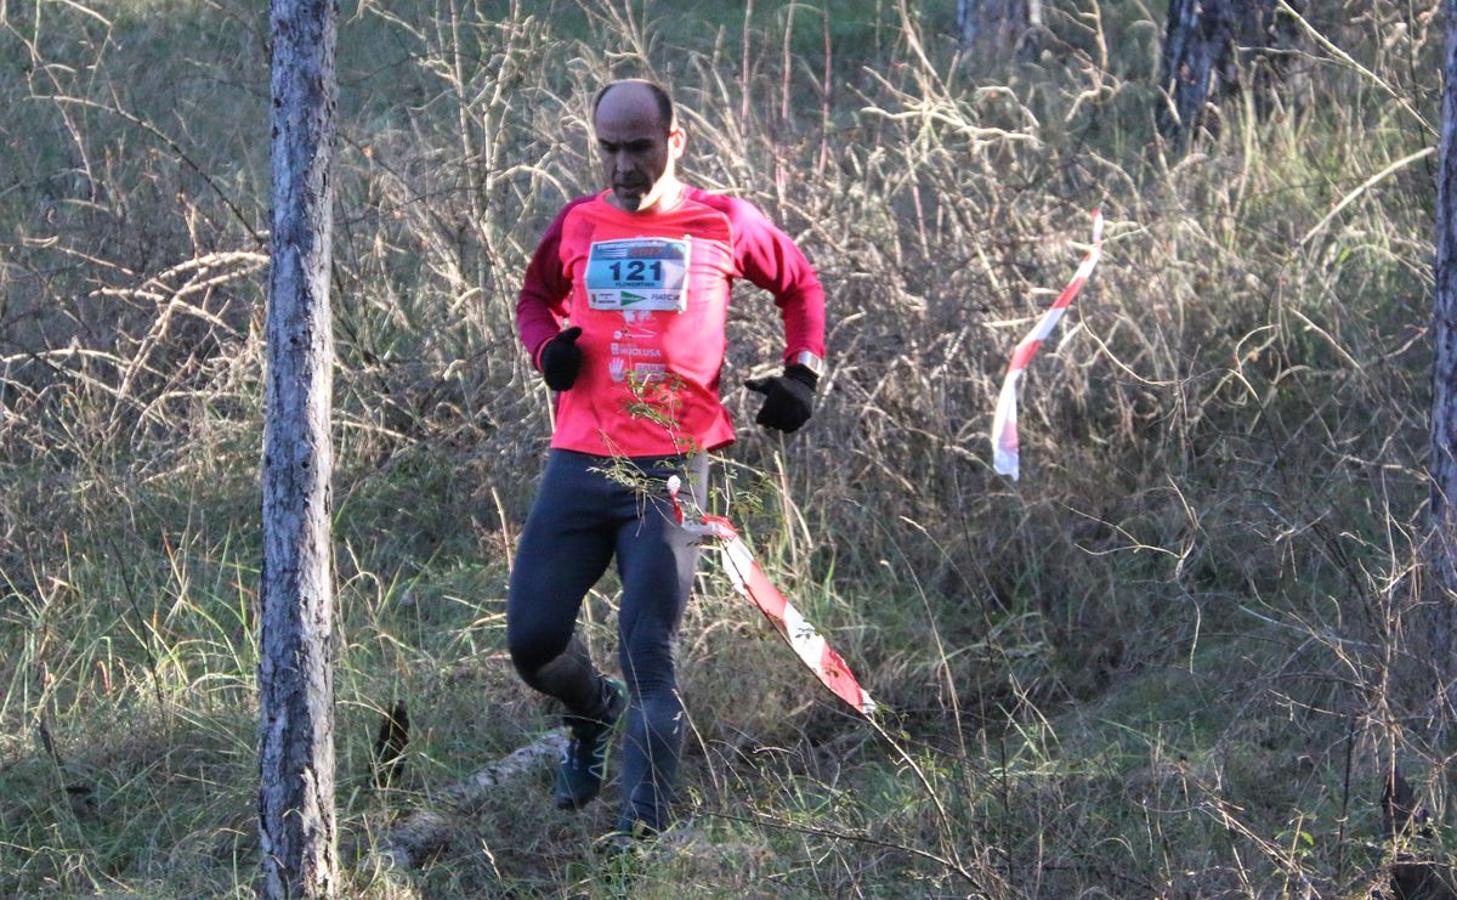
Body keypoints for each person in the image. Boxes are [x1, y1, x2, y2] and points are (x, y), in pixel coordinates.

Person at [508, 78, 826, 843]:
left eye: (639, 147)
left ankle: (640, 836)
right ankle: (592, 711)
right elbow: (533, 298)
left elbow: (800, 284)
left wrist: (803, 371)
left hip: (670, 468)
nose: (623, 165)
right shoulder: (577, 222)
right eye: (609, 149)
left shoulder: (723, 220)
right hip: (580, 458)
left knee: (647, 650)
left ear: (673, 141)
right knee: (532, 640)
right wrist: (546, 350)